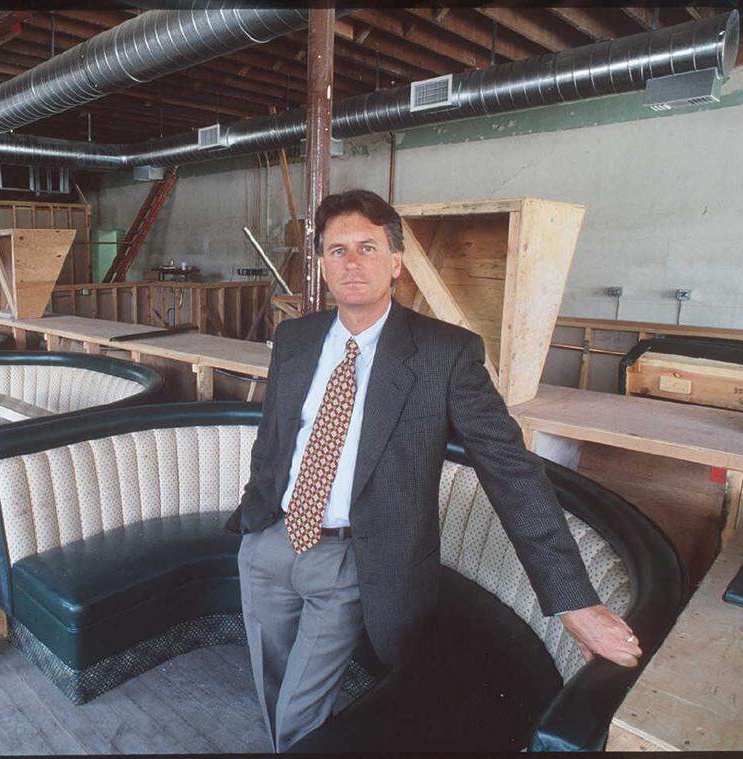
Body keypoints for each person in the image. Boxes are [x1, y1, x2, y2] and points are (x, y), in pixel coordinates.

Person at [225, 189, 642, 752]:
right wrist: (255, 521)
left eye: (368, 248)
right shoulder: (295, 339)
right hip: (271, 544)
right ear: (321, 264)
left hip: (354, 558)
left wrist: (571, 599)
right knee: (270, 678)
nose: (352, 263)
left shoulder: (445, 353)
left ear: (396, 262)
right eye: (337, 250)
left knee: (302, 707)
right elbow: (275, 438)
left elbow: (511, 473)